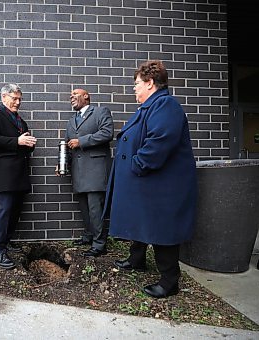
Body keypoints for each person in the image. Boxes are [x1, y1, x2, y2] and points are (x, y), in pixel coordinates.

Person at [104, 60, 197, 299]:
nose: (134, 89)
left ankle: (169, 281)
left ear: (150, 83)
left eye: (136, 84)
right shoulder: (149, 107)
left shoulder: (165, 106)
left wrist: (137, 164)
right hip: (147, 184)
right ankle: (137, 260)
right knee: (141, 220)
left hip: (160, 186)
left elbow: (159, 142)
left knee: (161, 229)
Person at [0, 84, 36, 270]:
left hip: (21, 173)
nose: (18, 102)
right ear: (4, 97)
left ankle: (7, 241)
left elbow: (24, 144)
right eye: (14, 98)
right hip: (4, 174)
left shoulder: (21, 121)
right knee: (5, 211)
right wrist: (18, 141)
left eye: (19, 99)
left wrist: (29, 144)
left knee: (15, 211)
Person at [57, 89, 114, 257]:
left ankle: (99, 244)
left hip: (95, 170)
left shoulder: (100, 112)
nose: (71, 96)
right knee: (84, 207)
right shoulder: (71, 121)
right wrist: (62, 164)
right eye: (70, 95)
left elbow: (107, 133)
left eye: (75, 94)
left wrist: (81, 141)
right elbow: (67, 145)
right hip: (78, 171)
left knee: (95, 208)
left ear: (86, 96)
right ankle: (89, 236)